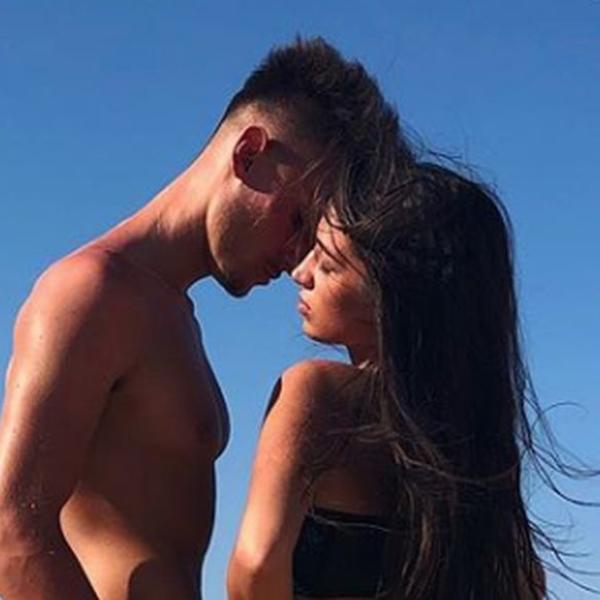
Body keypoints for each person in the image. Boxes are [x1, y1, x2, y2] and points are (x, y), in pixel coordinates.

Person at [0, 38, 410, 599]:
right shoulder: (92, 291)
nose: (299, 256)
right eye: (299, 219)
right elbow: (12, 532)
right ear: (249, 154)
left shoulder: (171, 314)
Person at [227, 162, 549, 599]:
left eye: (328, 263)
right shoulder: (476, 437)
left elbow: (256, 566)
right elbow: (525, 581)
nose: (301, 272)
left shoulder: (318, 393)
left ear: (391, 289)